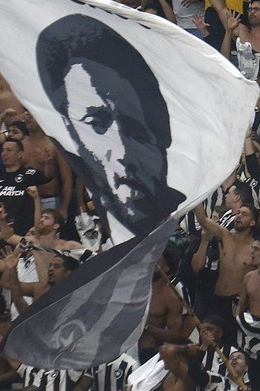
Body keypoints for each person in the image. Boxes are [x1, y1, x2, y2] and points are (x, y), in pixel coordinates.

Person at [36, 13, 186, 239]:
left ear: (162, 126)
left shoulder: (193, 222)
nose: (123, 151)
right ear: (71, 134)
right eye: (97, 124)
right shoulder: (82, 237)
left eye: (132, 123)